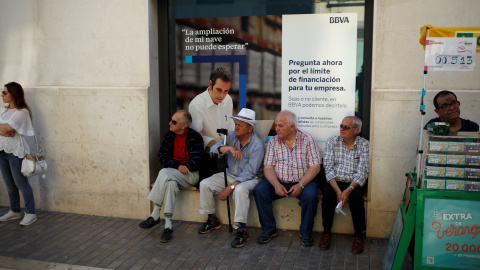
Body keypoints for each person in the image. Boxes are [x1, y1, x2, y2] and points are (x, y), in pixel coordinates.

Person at [198, 108, 265, 248]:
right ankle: (212, 219)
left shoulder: (257, 144)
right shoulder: (231, 136)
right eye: (236, 124)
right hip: (230, 174)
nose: (236, 127)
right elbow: (213, 149)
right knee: (205, 184)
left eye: (240, 125)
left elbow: (250, 172)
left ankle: (242, 228)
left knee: (239, 190)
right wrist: (228, 148)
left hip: (251, 179)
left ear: (250, 128)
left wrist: (230, 187)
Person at [253, 110, 321, 247]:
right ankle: (269, 230)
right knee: (260, 190)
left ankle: (306, 233)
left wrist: (301, 185)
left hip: (303, 182)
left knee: (311, 195)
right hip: (279, 181)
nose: (276, 129)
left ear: (292, 127)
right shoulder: (273, 142)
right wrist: (276, 185)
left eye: (280, 126)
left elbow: (315, 167)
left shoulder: (307, 140)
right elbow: (268, 167)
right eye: (276, 125)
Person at [138, 110, 204, 243]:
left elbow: (198, 161)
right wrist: (177, 166)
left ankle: (155, 214)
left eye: (174, 121)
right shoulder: (170, 136)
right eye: (171, 119)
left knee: (164, 172)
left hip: (191, 175)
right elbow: (162, 156)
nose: (170, 123)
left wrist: (185, 167)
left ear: (183, 125)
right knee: (170, 183)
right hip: (174, 174)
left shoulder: (195, 137)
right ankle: (168, 226)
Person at [320, 116, 369, 254]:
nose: (342, 129)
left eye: (346, 127)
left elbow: (363, 171)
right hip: (335, 181)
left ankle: (359, 235)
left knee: (356, 198)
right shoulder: (332, 142)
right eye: (341, 126)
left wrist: (348, 190)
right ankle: (326, 232)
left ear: (356, 130)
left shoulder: (364, 144)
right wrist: (337, 190)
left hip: (353, 182)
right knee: (328, 195)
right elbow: (328, 167)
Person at [0, 82, 37, 226]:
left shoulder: (22, 112)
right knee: (9, 184)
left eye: (5, 93)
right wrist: (4, 131)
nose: (2, 95)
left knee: (21, 183)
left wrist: (7, 129)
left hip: (15, 153)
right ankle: (15, 211)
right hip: (2, 151)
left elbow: (9, 128)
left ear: (14, 94)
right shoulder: (3, 110)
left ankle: (30, 213)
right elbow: (6, 130)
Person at [189, 67, 235, 152]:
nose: (222, 95)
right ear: (210, 84)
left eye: (226, 91)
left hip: (225, 152)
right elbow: (193, 137)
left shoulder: (228, 99)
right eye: (219, 90)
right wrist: (212, 141)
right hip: (205, 155)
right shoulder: (197, 105)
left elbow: (230, 124)